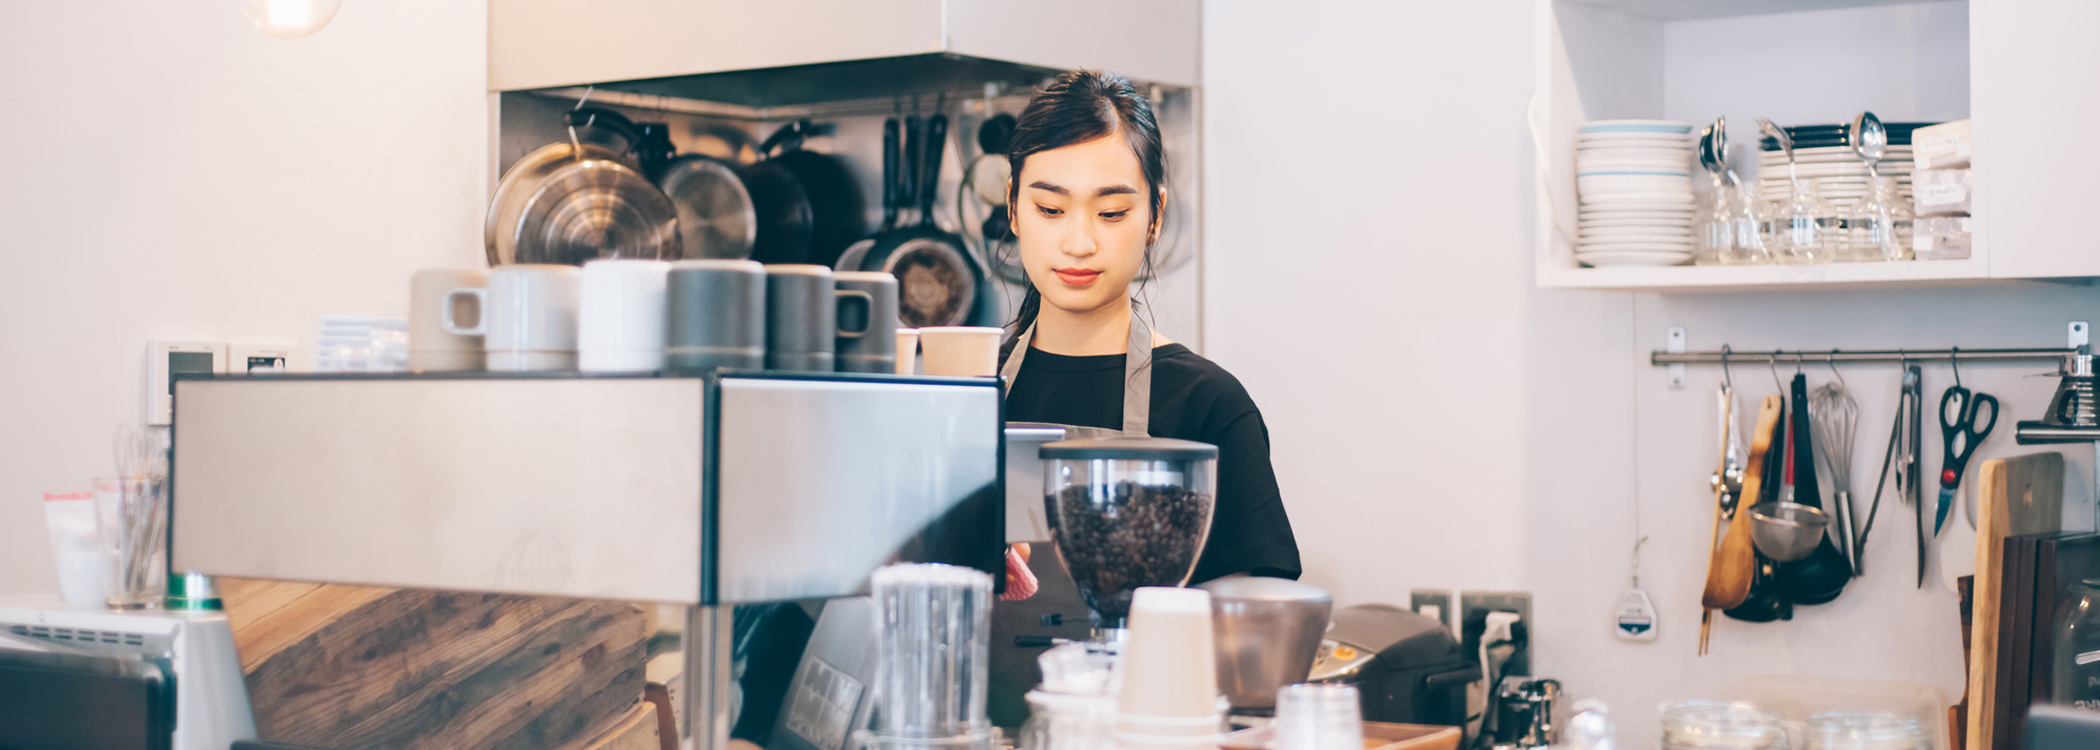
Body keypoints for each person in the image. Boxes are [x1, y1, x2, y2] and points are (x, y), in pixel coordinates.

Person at [999, 69, 1300, 583]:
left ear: (1155, 216)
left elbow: (1252, 619)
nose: (1079, 241)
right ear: (1012, 207)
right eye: (1050, 208)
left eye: (1112, 213)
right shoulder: (962, 392)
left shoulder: (1209, 406)